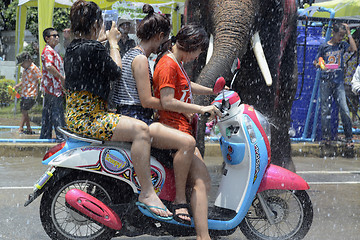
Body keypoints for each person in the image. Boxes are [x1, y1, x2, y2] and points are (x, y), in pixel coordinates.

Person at [64, 0, 171, 220]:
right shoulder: (93, 47)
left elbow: (91, 55)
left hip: (76, 115)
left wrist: (104, 39)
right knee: (142, 130)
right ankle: (148, 193)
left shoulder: (73, 47)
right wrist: (113, 43)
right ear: (96, 23)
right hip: (90, 117)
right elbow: (116, 72)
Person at [153, 24, 222, 240]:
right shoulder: (167, 65)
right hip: (173, 129)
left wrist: (212, 92)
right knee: (201, 182)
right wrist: (201, 108)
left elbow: (186, 86)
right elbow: (167, 100)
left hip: (181, 127)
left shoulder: (175, 61)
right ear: (191, 47)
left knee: (203, 183)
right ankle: (181, 203)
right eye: (199, 51)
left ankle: (203, 235)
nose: (199, 55)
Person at [314, 23, 357, 149]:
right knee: (325, 110)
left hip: (338, 83)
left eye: (343, 36)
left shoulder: (342, 45)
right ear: (334, 32)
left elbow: (354, 49)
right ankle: (327, 138)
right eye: (340, 35)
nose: (341, 38)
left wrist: (349, 32)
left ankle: (349, 137)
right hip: (325, 82)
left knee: (344, 109)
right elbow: (316, 61)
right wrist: (319, 64)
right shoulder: (324, 47)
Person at [40, 27, 66, 142]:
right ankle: (62, 139)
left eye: (57, 35)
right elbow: (49, 66)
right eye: (54, 36)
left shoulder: (54, 51)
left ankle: (44, 140)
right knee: (57, 115)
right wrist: (61, 78)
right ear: (47, 38)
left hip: (54, 89)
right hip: (52, 89)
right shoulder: (48, 51)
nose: (57, 37)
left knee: (48, 116)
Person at [14, 51, 41, 134]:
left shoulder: (34, 68)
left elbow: (40, 78)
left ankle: (21, 128)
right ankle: (28, 128)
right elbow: (25, 81)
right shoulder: (25, 69)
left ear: (29, 60)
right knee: (23, 110)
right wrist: (18, 85)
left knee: (24, 110)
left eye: (22, 63)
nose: (21, 66)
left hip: (31, 94)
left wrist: (42, 90)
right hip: (24, 93)